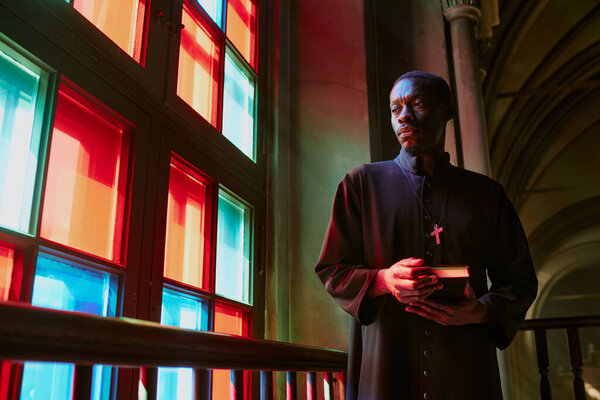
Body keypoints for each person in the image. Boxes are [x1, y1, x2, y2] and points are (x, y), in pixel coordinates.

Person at [315, 71, 538, 400]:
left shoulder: (486, 195)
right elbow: (332, 270)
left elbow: (519, 281)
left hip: (464, 364)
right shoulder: (361, 184)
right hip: (387, 367)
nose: (404, 115)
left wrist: (483, 309)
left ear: (447, 111)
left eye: (417, 104)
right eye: (395, 109)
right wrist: (386, 280)